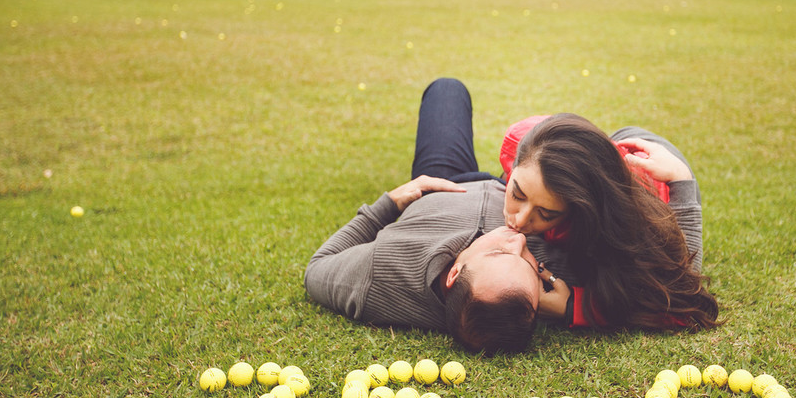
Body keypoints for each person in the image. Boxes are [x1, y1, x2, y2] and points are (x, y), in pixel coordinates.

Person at [304, 79, 578, 354]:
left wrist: (390, 203)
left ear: (455, 273)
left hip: (441, 183)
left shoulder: (378, 277)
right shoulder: (558, 275)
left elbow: (317, 268)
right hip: (517, 194)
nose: (518, 240)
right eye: (529, 264)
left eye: (500, 254)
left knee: (446, 89)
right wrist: (571, 308)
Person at [498, 113, 719, 331]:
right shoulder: (521, 143)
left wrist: (574, 309)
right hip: (600, 154)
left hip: (656, 163)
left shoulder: (623, 226)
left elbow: (685, 302)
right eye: (517, 194)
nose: (520, 220)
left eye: (547, 214)